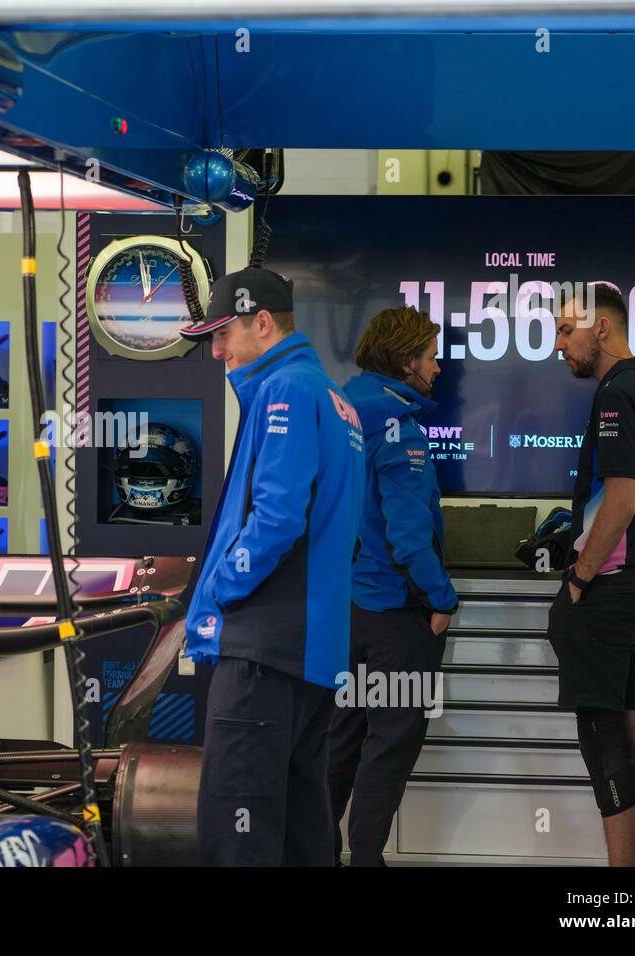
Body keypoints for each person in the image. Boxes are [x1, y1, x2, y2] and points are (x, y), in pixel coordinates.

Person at [180, 266, 365, 866]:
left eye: (222, 334)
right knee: (301, 828)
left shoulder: (285, 390)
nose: (217, 350)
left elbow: (278, 517)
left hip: (264, 648)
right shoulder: (334, 398)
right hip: (311, 655)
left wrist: (220, 588)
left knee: (238, 832)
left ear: (262, 323)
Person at [548, 282, 635, 867]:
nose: (557, 345)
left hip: (611, 591)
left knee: (604, 743)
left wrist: (578, 576)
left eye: (564, 330)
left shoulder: (614, 395)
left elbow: (621, 501)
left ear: (600, 327)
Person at [327, 306, 458, 866]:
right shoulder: (399, 428)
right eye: (431, 356)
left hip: (342, 612)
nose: (438, 368)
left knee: (340, 739)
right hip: (395, 616)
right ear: (405, 361)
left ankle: (311, 849)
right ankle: (366, 858)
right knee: (390, 746)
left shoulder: (338, 411)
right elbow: (408, 539)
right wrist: (443, 599)